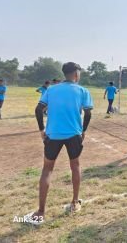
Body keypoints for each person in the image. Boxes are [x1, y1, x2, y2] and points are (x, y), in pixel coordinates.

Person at [24, 62, 93, 225]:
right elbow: (88, 113)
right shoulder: (83, 90)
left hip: (53, 135)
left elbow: (38, 109)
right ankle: (75, 202)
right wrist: (84, 131)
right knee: (75, 165)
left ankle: (41, 212)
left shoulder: (51, 89)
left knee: (47, 169)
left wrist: (42, 131)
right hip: (74, 134)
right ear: (76, 73)